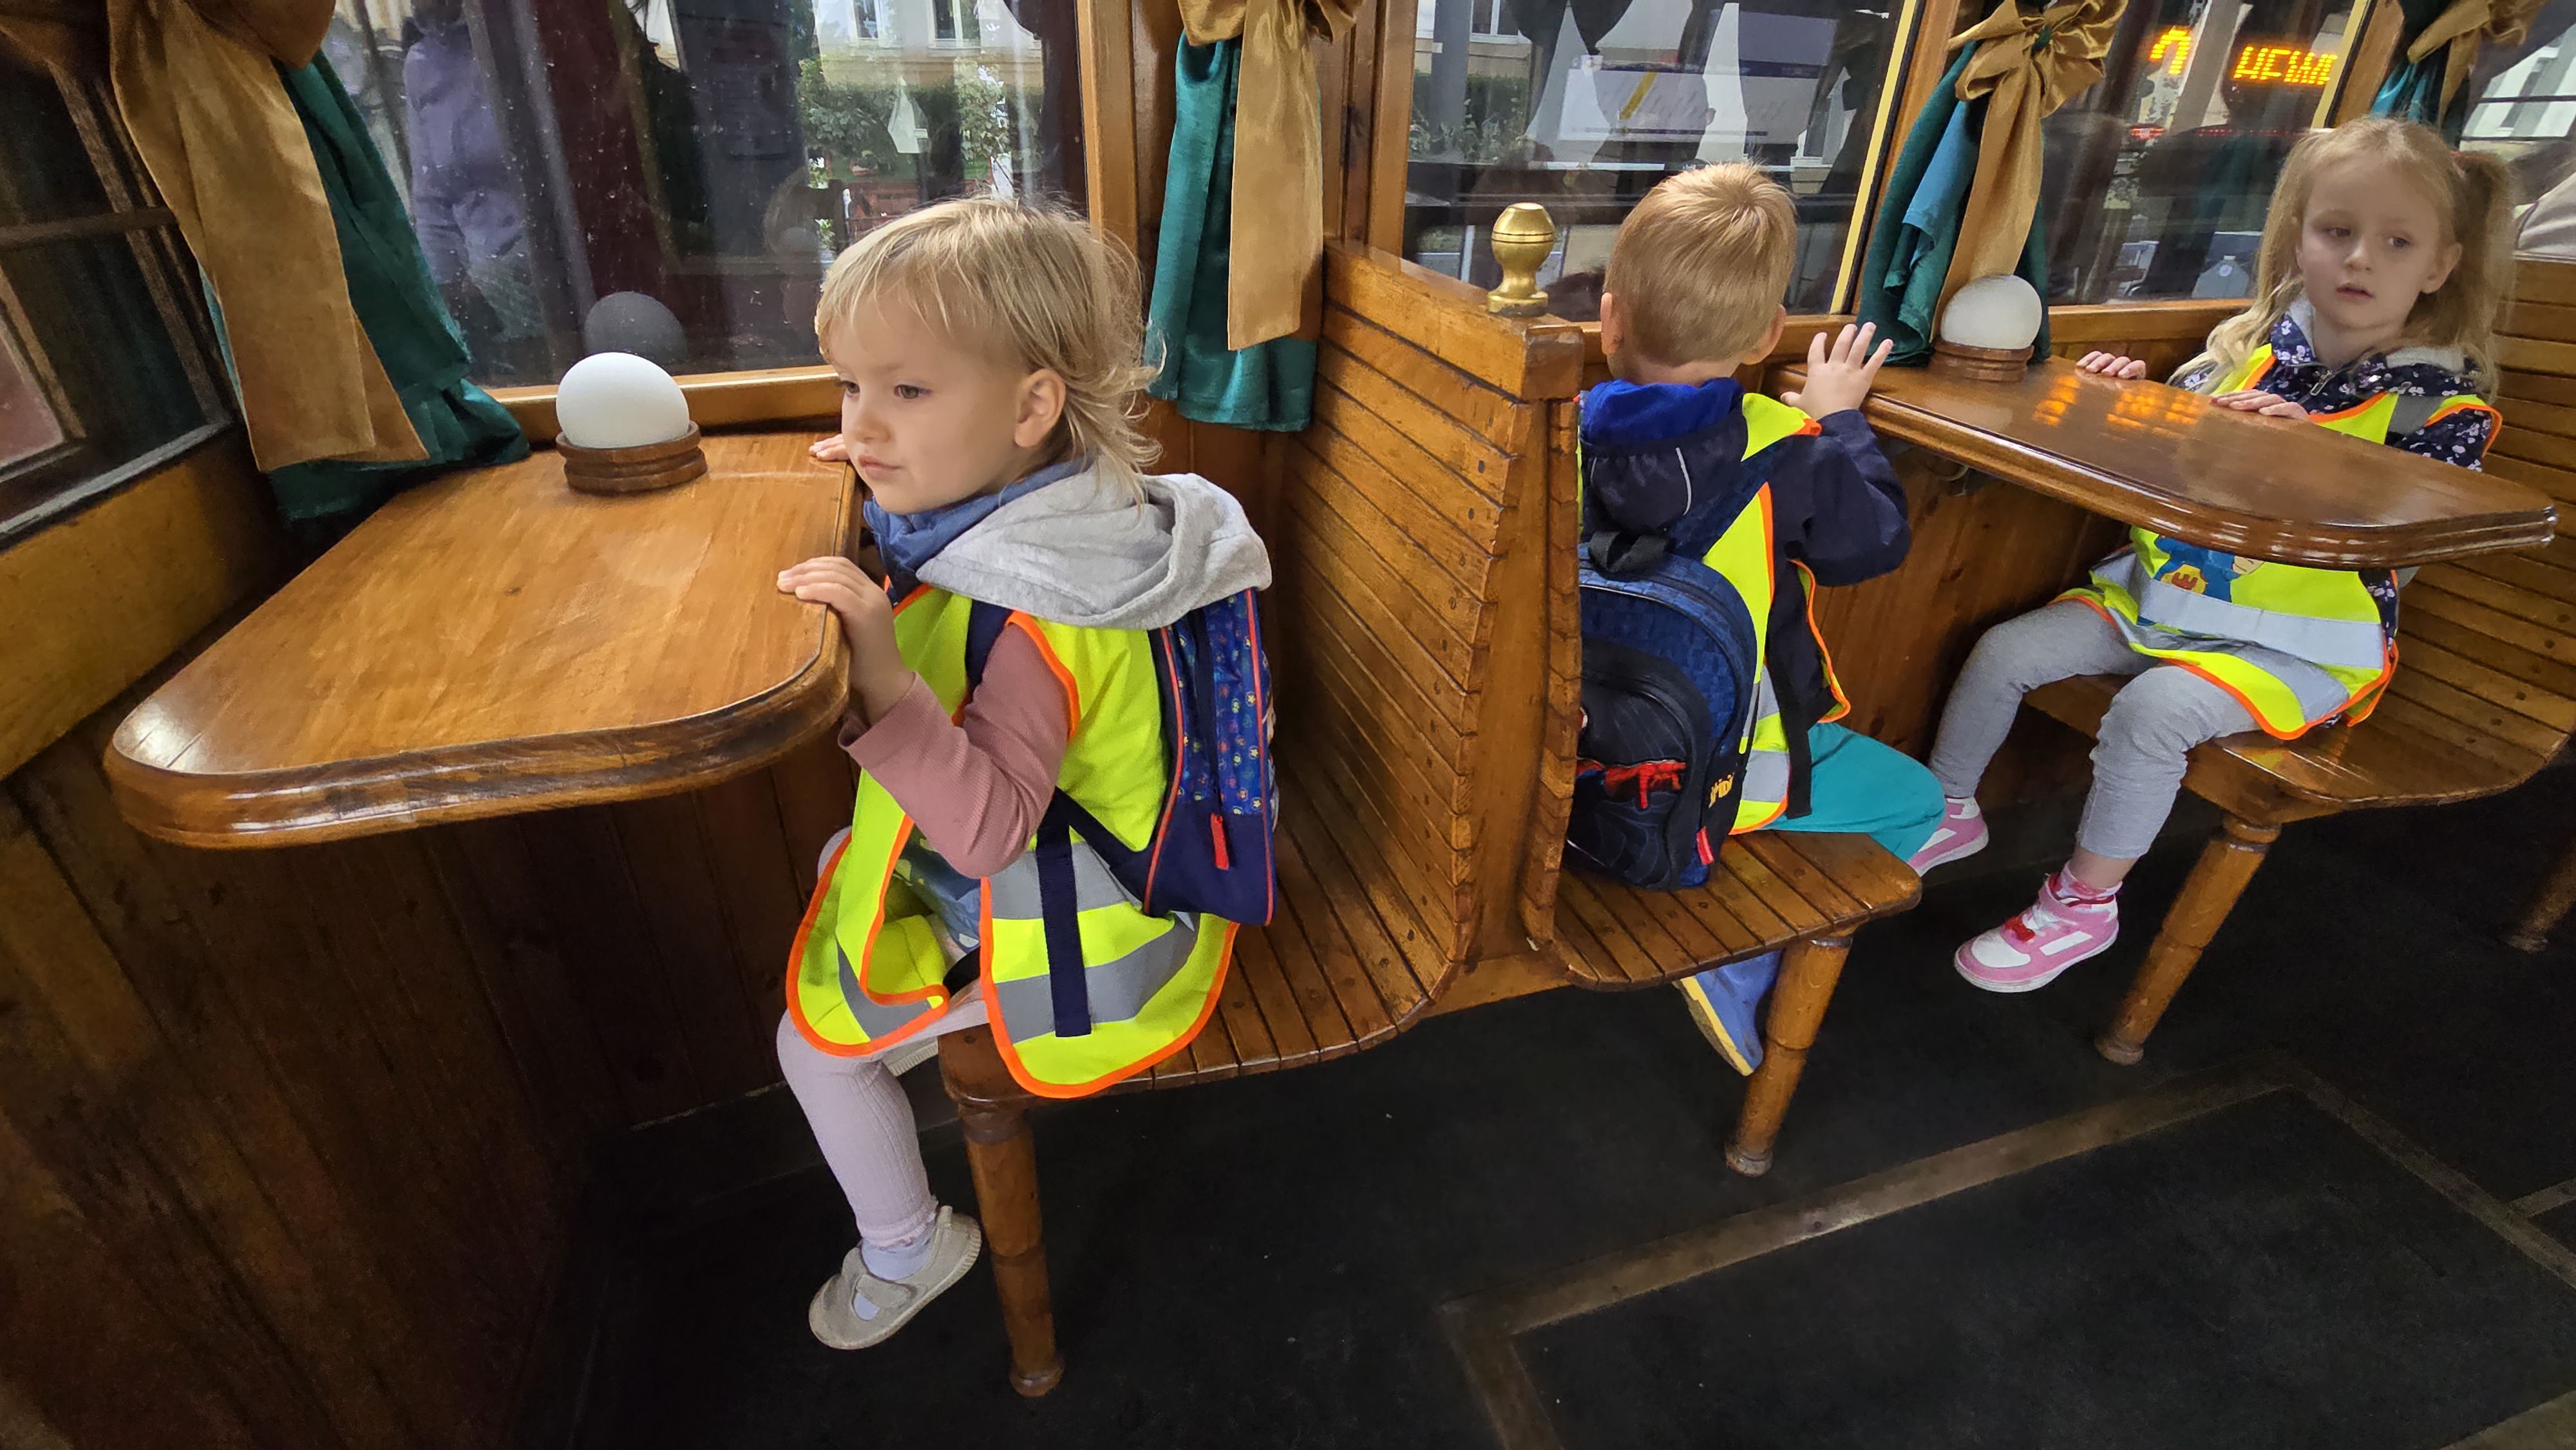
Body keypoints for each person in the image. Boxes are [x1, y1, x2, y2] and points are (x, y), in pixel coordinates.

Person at [772, 198, 1270, 1350]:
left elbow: (992, 833)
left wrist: (882, 679)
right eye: (849, 388)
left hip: (1087, 926)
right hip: (1111, 843)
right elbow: (954, 537)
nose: (862, 423)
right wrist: (881, 467)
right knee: (844, 865)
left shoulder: (1047, 611)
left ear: (1033, 406)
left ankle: (908, 1246)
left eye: (907, 391)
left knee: (810, 1049)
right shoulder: (1068, 505)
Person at [1918, 117, 2514, 992]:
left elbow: (2421, 526)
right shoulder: (2244, 356)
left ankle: (2084, 903)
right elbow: (2167, 452)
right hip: (2169, 598)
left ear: (2440, 265)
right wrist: (2126, 401)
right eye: (2337, 231)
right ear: (2298, 240)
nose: (2359, 259)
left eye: (2396, 242)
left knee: (2152, 712)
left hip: (2302, 647)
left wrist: (2315, 455)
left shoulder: (2442, 412)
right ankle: (1944, 810)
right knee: (2006, 651)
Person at [1587, 163, 1946, 1073]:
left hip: (1582, 746)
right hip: (1728, 772)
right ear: (1767, 335)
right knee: (1923, 803)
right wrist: (1840, 421)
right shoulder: (1789, 450)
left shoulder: (1562, 429)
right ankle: (1740, 960)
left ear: (1609, 319)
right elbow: (1874, 546)